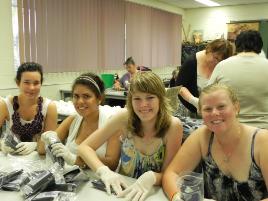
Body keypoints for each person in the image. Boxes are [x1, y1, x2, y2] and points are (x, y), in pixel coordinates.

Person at [78, 71, 183, 201]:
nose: (143, 104)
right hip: (122, 192)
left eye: (150, 97)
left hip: (155, 194)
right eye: (137, 99)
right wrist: (103, 171)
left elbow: (169, 174)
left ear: (161, 99)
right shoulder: (124, 118)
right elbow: (84, 147)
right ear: (130, 100)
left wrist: (152, 177)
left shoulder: (173, 126)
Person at [163, 83, 268, 201]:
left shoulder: (262, 141)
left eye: (221, 106)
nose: (214, 113)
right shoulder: (202, 137)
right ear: (200, 112)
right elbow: (171, 173)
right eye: (208, 109)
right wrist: (176, 196)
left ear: (236, 107)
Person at [182, 30, 268, 129]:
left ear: (237, 45)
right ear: (260, 47)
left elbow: (206, 96)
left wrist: (195, 103)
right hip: (264, 129)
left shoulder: (222, 65)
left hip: (230, 127)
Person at [41, 73, 122, 169]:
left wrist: (76, 159)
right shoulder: (73, 119)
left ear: (99, 98)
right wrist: (46, 139)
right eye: (76, 96)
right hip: (75, 178)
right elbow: (42, 149)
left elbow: (112, 164)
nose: (80, 101)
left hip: (102, 180)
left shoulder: (111, 123)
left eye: (86, 96)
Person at [0, 62, 57, 155]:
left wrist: (35, 145)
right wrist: (2, 144)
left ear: (41, 83)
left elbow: (51, 141)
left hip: (39, 157)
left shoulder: (50, 107)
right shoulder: (5, 105)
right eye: (26, 82)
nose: (31, 88)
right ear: (18, 83)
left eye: (36, 83)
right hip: (11, 159)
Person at [176, 39, 233, 114]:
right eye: (215, 58)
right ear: (209, 50)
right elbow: (180, 87)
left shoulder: (222, 66)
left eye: (220, 61)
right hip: (191, 109)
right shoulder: (191, 62)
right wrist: (195, 101)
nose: (217, 62)